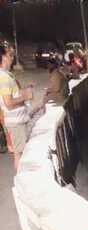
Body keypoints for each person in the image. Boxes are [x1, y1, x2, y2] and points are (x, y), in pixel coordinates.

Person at [0, 44, 33, 172]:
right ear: (3, 57)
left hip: (17, 122)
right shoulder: (3, 77)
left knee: (20, 153)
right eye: (10, 55)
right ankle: (21, 180)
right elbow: (8, 103)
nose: (12, 58)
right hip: (15, 123)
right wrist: (25, 96)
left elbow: (13, 95)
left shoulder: (6, 75)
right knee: (20, 155)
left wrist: (24, 92)